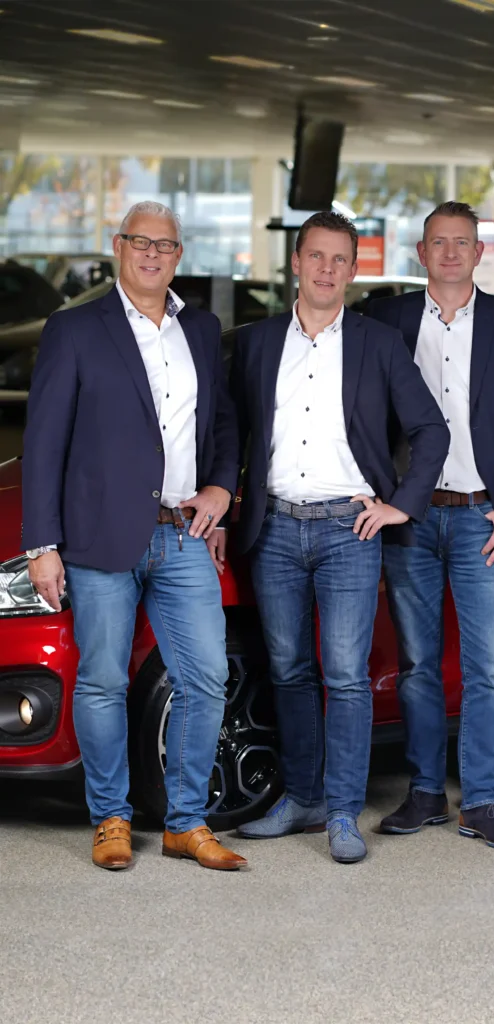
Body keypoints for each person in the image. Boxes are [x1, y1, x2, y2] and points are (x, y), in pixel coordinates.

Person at [22, 201, 246, 871]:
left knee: (206, 678)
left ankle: (185, 822)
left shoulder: (200, 329)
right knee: (102, 682)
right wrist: (42, 545)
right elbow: (44, 442)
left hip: (182, 533)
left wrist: (222, 489)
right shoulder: (74, 329)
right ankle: (111, 819)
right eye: (140, 241)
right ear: (118, 246)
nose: (152, 253)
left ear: (179, 255)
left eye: (164, 244)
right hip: (99, 537)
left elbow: (223, 421)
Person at [223, 211, 448, 864]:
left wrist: (400, 505)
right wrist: (225, 495)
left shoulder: (378, 344)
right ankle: (304, 798)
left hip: (349, 529)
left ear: (353, 269)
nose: (326, 269)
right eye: (315, 256)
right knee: (289, 670)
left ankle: (344, 810)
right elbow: (229, 429)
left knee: (345, 676)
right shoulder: (258, 342)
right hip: (274, 529)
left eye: (339, 259)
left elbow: (430, 430)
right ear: (296, 262)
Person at [369, 201, 494, 851]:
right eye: (438, 242)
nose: (450, 253)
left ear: (480, 252)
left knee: (487, 670)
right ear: (420, 253)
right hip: (410, 518)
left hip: (484, 517)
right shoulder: (386, 320)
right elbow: (363, 416)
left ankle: (479, 801)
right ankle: (425, 792)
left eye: (462, 242)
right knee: (418, 665)